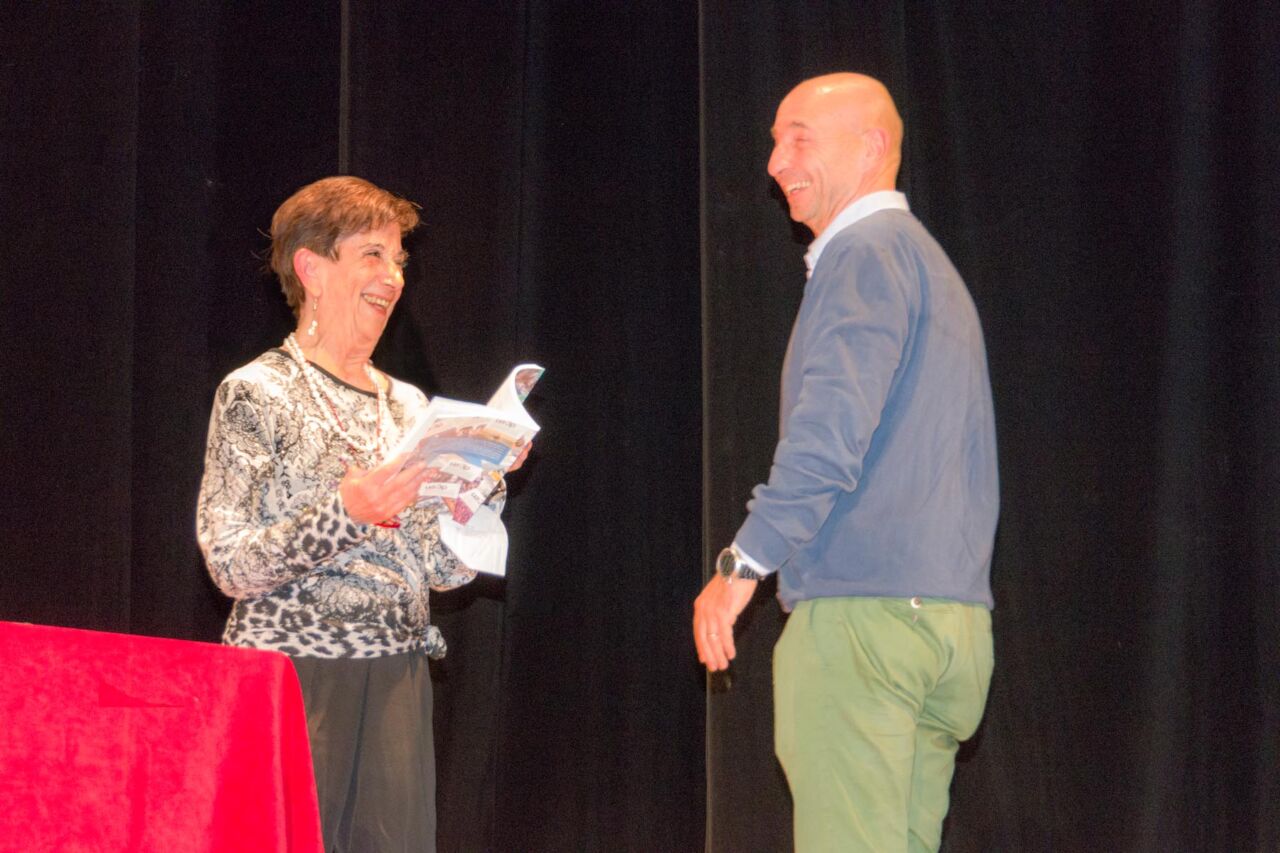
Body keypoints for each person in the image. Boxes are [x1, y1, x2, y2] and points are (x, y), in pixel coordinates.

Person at [693, 73, 999, 852]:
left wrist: (742, 564)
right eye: (774, 141)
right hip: (951, 626)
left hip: (867, 627)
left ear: (871, 148)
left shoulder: (863, 256)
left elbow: (827, 437)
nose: (775, 162)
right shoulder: (929, 265)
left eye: (799, 138)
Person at [197, 176, 524, 852]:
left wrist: (479, 488)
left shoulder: (407, 406)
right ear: (311, 269)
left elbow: (441, 572)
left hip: (397, 679)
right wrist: (346, 513)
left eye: (399, 260)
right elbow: (228, 562)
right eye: (372, 254)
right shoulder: (256, 392)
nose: (393, 277)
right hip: (289, 678)